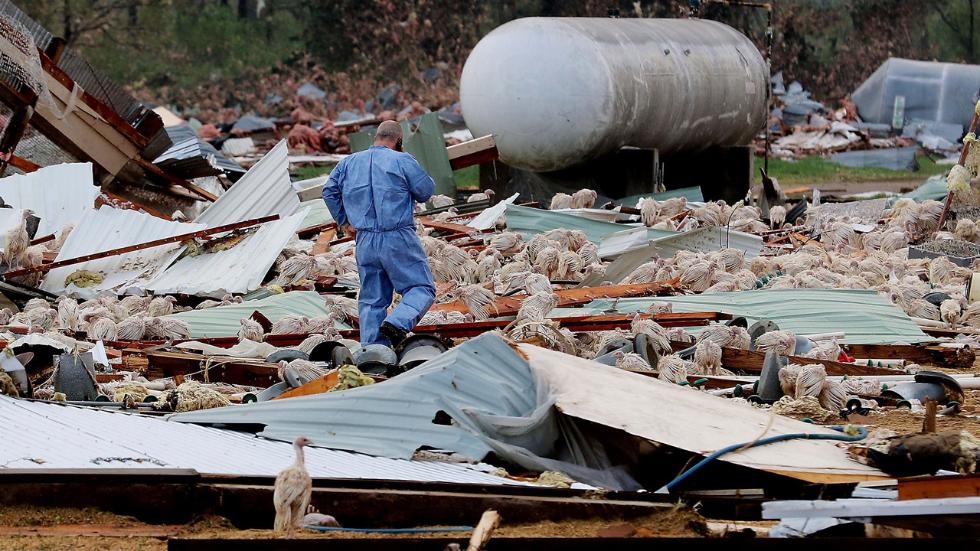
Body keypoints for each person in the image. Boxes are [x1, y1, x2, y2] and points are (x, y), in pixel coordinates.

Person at [322, 120, 436, 347]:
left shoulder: (348, 162)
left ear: (376, 137)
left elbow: (329, 191)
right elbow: (425, 191)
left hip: (364, 240)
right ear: (399, 140)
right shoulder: (402, 160)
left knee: (372, 300)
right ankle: (397, 323)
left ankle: (373, 353)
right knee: (421, 288)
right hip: (397, 237)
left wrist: (344, 221)